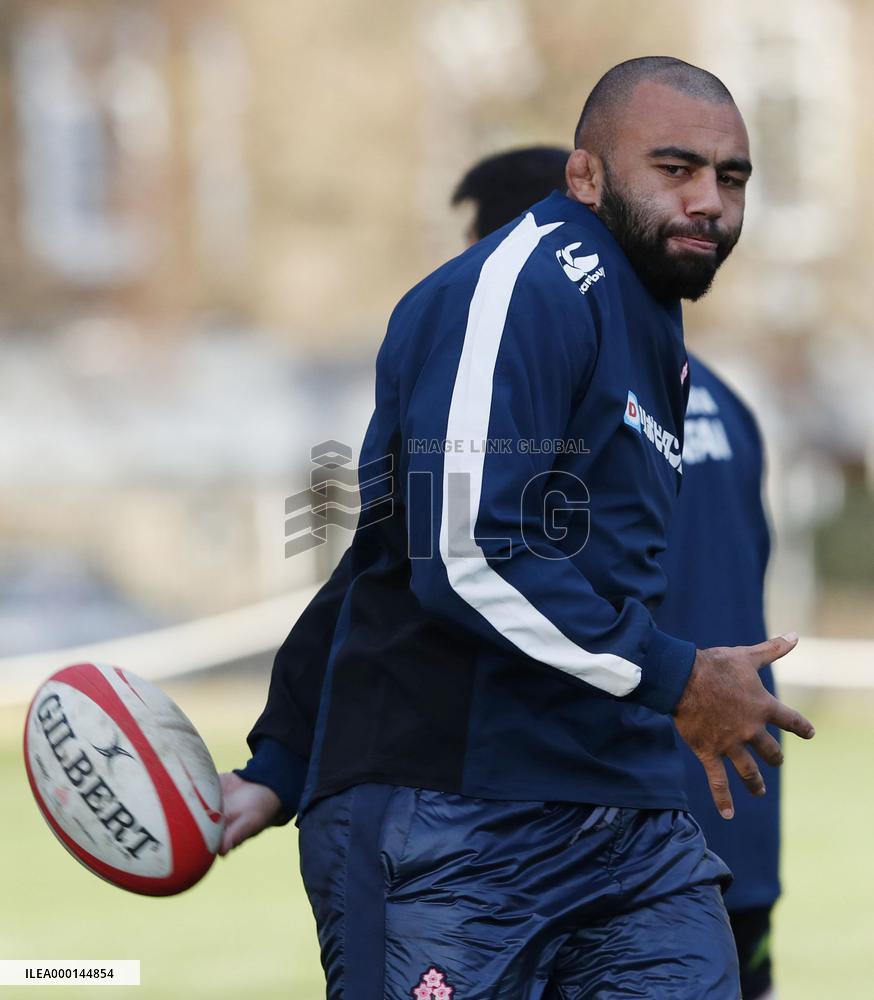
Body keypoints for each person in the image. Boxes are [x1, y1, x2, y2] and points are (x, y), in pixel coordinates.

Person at [221, 57, 814, 998]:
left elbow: (395, 541)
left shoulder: (653, 323)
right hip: (454, 819)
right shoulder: (525, 285)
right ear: (585, 176)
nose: (709, 200)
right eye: (676, 169)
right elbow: (457, 553)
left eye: (731, 177)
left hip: (627, 821)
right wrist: (682, 677)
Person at [452, 146, 781, 1000]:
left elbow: (478, 576)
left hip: (596, 838)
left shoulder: (547, 404)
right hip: (735, 831)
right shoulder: (726, 405)